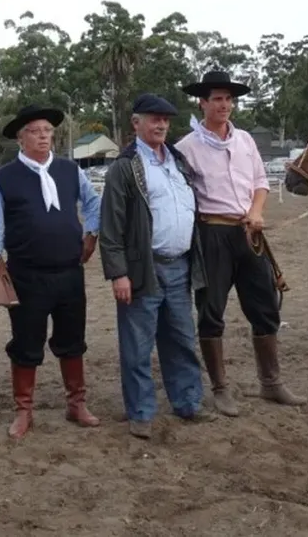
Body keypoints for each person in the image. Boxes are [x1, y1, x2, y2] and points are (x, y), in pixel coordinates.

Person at [175, 71, 307, 417]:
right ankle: (220, 389)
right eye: (217, 99)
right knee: (211, 308)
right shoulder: (186, 148)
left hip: (249, 232)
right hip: (211, 233)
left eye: (229, 99)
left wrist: (256, 210)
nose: (224, 105)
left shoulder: (245, 140)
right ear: (202, 103)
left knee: (264, 304)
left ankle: (271, 382)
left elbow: (260, 182)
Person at [99, 93, 216, 439]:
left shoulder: (178, 162)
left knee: (181, 339)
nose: (161, 124)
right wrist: (119, 273)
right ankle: (141, 412)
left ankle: (188, 402)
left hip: (180, 266)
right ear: (136, 123)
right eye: (153, 118)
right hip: (142, 269)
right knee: (137, 345)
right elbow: (111, 226)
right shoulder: (125, 167)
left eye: (165, 119)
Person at [0, 104, 102, 440]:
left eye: (47, 131)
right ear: (21, 139)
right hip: (26, 275)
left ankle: (76, 403)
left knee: (72, 340)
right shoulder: (3, 179)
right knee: (25, 342)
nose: (43, 137)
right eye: (34, 131)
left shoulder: (69, 170)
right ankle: (24, 410)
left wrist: (91, 233)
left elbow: (94, 202)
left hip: (69, 272)